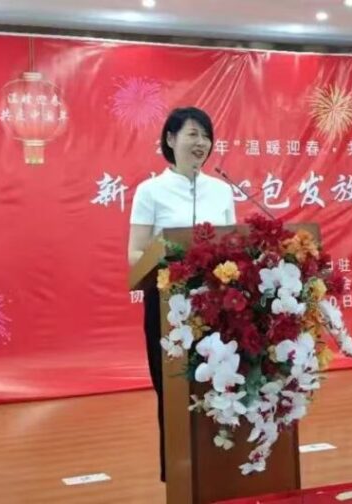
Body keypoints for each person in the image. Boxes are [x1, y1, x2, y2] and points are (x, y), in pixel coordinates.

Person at [127, 106, 237, 482]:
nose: (201, 142)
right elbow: (135, 254)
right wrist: (171, 262)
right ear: (170, 139)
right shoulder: (150, 191)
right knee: (174, 390)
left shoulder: (221, 190)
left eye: (206, 135)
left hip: (216, 305)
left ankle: (221, 465)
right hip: (168, 307)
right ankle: (178, 474)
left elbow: (235, 248)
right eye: (192, 134)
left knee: (219, 384)